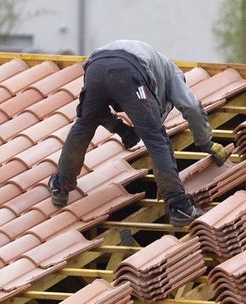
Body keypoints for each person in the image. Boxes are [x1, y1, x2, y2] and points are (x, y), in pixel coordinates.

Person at [49, 40, 229, 227]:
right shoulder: (173, 74)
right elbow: (192, 107)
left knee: (84, 124)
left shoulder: (152, 65)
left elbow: (98, 112)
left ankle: (61, 185)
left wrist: (123, 131)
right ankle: (179, 206)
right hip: (128, 70)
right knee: (156, 138)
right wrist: (206, 142)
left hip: (95, 67)